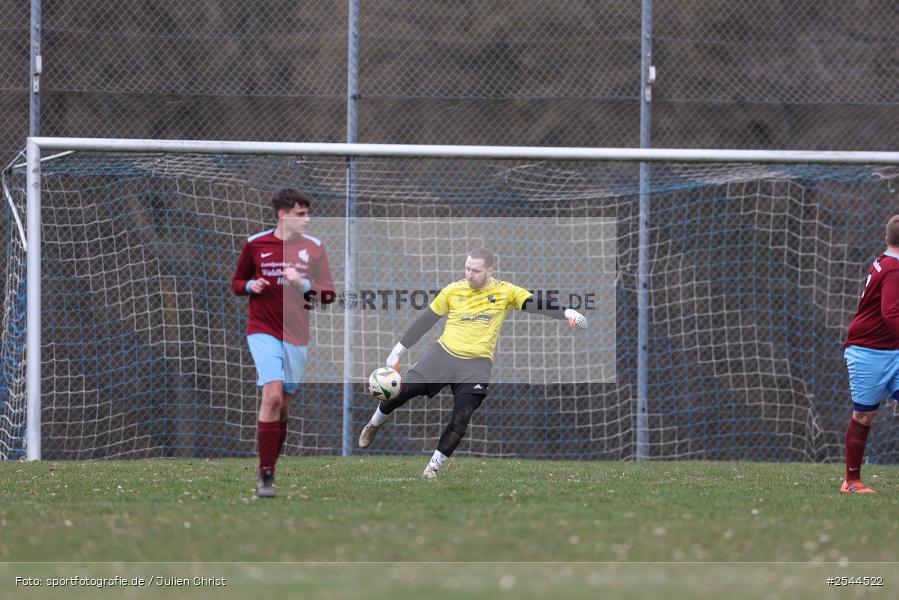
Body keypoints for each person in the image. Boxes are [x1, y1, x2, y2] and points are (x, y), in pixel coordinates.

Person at [358, 248, 589, 479]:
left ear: (490, 271)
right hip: (443, 354)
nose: (469, 274)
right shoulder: (453, 290)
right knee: (401, 391)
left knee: (461, 419)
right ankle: (374, 424)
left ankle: (432, 469)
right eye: (467, 268)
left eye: (476, 270)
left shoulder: (505, 291)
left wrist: (567, 312)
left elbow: (536, 303)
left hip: (476, 365)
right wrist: (398, 351)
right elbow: (425, 321)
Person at [231, 188, 334, 497]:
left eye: (307, 213)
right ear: (283, 214)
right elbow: (236, 283)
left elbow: (328, 295)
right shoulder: (255, 244)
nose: (307, 219)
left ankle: (270, 469)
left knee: (284, 406)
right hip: (262, 330)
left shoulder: (314, 248)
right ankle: (264, 477)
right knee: (272, 397)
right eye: (301, 214)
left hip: (297, 335)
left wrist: (301, 283)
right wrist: (251, 284)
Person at [841, 214, 899, 494]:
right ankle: (851, 481)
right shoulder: (892, 269)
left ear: (887, 238)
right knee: (864, 416)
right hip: (868, 350)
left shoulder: (889, 261)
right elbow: (890, 313)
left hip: (893, 348)